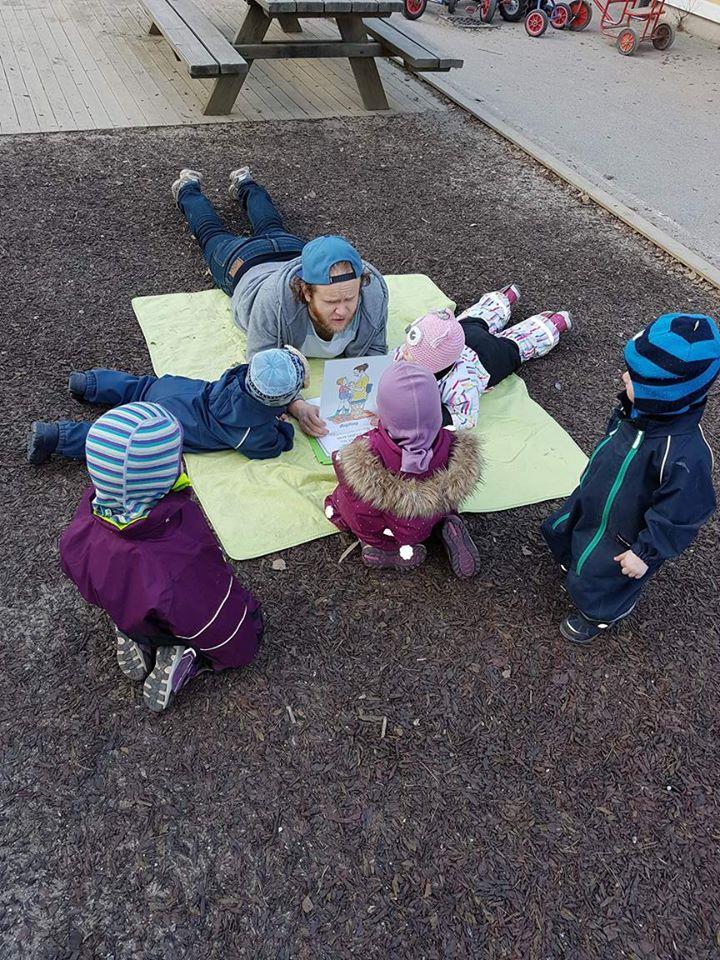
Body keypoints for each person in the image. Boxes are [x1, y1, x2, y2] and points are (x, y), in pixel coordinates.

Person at [59, 402, 264, 712]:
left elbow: (81, 574)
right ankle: (181, 654)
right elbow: (214, 618)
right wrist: (246, 632)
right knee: (227, 634)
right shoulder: (175, 552)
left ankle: (131, 633)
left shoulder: (85, 522)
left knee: (132, 600)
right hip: (168, 615)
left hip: (126, 606)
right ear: (164, 476)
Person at [541, 312, 720, 644]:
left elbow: (680, 516)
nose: (624, 377)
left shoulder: (685, 456)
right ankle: (573, 560)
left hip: (625, 534)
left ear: (666, 395)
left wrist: (646, 553)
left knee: (604, 576)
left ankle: (600, 615)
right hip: (594, 498)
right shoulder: (637, 411)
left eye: (635, 378)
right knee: (568, 529)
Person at [171, 167, 389, 438]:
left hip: (292, 251)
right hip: (245, 264)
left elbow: (375, 351)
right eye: (332, 301)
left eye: (350, 298)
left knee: (272, 226)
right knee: (211, 234)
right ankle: (187, 188)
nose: (342, 310)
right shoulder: (273, 300)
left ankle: (245, 182)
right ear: (306, 292)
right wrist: (296, 404)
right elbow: (259, 357)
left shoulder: (374, 294)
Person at [324, 362, 482, 577]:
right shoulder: (451, 442)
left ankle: (385, 549)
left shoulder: (370, 447)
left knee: (347, 499)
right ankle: (448, 523)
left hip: (393, 525)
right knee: (443, 500)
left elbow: (355, 492)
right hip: (430, 515)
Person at [27, 347, 308, 465]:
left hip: (176, 390)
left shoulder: (236, 376)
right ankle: (57, 436)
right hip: (164, 424)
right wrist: (282, 428)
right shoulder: (250, 430)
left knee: (136, 387)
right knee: (119, 438)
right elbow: (268, 448)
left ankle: (88, 383)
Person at [397, 285, 572, 430]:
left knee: (513, 347)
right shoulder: (410, 351)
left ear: (434, 366)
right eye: (407, 347)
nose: (404, 353)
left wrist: (439, 418)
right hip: (464, 333)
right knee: (474, 317)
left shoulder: (460, 384)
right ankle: (498, 302)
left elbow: (466, 418)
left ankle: (546, 328)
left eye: (412, 354)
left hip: (485, 360)